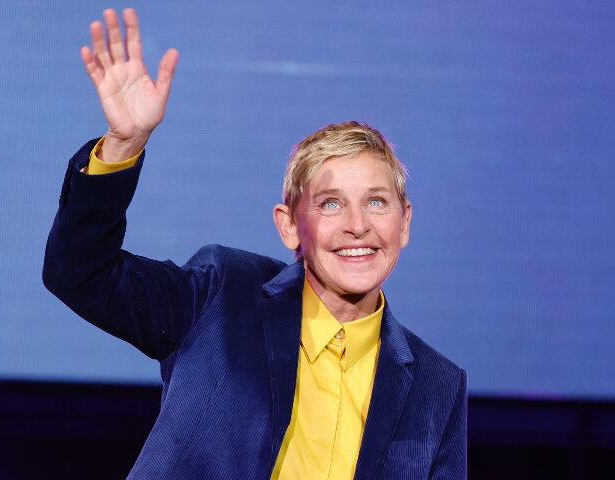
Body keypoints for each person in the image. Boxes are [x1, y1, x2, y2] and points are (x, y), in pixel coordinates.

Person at [43, 8, 467, 480]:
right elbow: (80, 273)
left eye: (377, 202)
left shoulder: (437, 386)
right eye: (330, 204)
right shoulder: (222, 298)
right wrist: (125, 144)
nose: (357, 225)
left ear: (404, 223)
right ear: (289, 227)